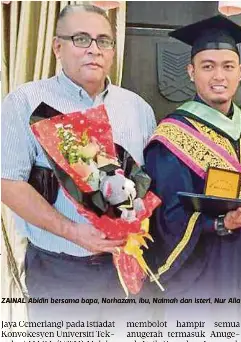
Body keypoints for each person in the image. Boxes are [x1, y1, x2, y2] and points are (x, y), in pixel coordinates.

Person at [1, 4, 156, 321]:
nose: (94, 50)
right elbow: (7, 182)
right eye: (81, 39)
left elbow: (145, 183)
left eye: (104, 41)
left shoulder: (138, 108)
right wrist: (73, 231)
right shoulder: (27, 102)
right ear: (57, 46)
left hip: (127, 269)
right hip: (61, 270)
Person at [143, 15, 241, 324]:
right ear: (191, 72)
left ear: (240, 72)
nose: (219, 75)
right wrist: (218, 223)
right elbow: (164, 214)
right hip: (199, 274)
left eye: (228, 66)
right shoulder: (173, 135)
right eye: (207, 66)